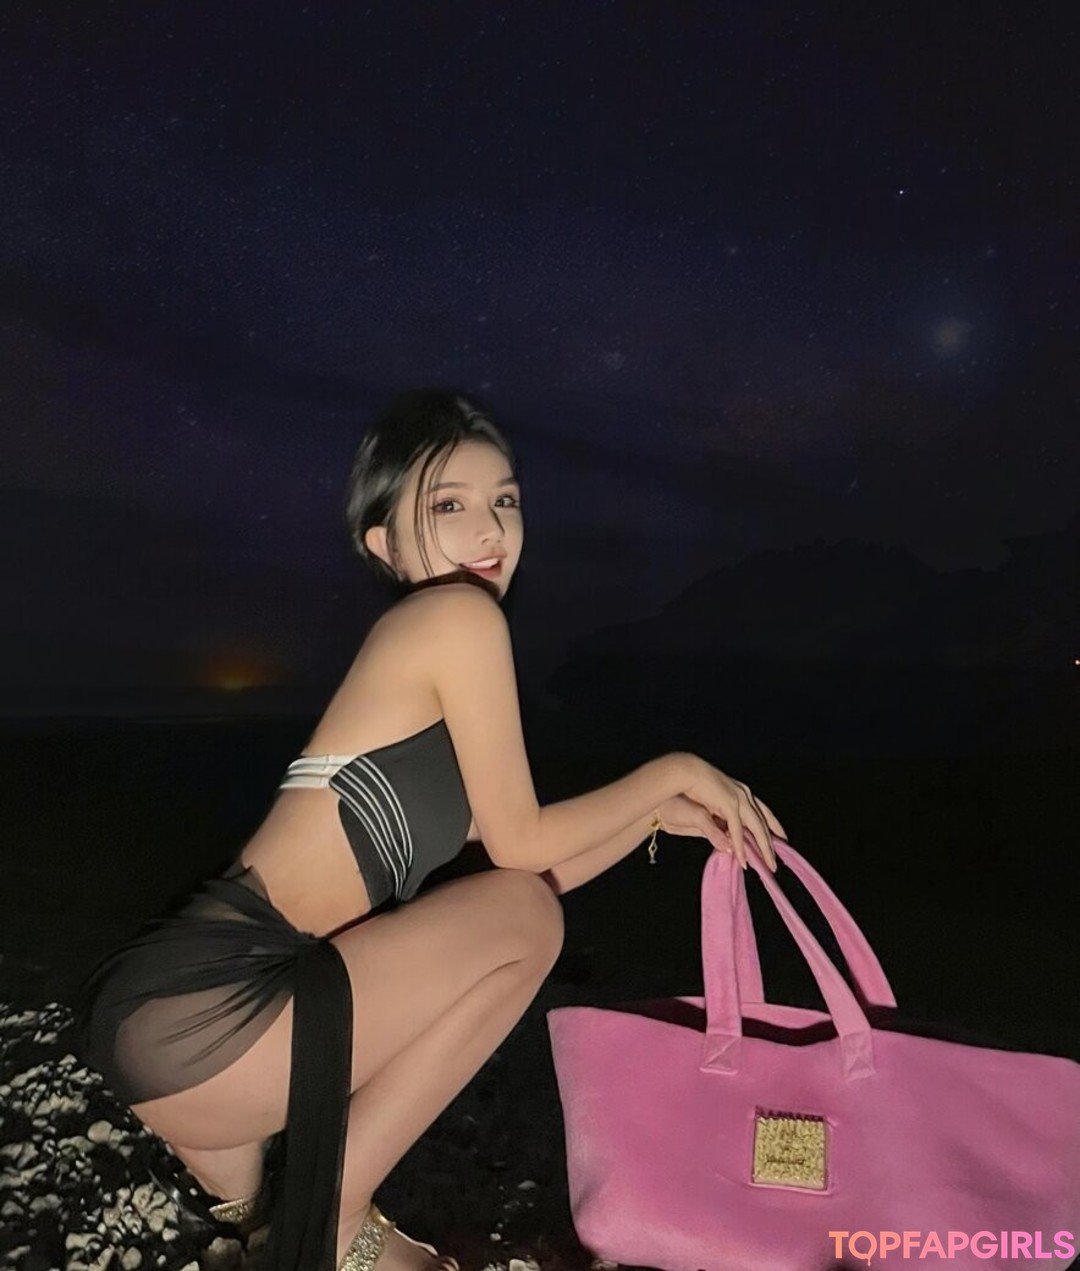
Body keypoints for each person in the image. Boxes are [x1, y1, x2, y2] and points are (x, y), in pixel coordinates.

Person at [72, 388, 784, 1271]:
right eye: (449, 505)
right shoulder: (458, 618)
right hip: (220, 1012)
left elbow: (520, 869)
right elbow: (523, 866)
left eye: (505, 500)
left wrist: (652, 818)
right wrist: (671, 771)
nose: (491, 528)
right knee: (530, 920)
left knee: (523, 911)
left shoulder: (422, 656)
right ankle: (335, 1217)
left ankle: (272, 1218)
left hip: (182, 1023)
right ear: (385, 543)